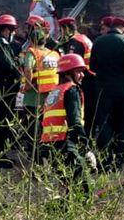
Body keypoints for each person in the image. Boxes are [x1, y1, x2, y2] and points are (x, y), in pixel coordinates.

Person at [90, 16, 124, 169]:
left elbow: (92, 66)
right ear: (123, 29)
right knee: (122, 126)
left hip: (104, 91)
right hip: (123, 92)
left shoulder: (98, 42)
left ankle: (104, 160)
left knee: (105, 124)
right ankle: (118, 161)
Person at [41, 53, 95, 195]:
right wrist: (86, 147)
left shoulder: (55, 91)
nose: (82, 75)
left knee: (68, 187)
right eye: (79, 71)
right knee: (84, 189)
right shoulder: (71, 90)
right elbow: (75, 121)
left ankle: (60, 213)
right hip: (65, 143)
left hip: (49, 144)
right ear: (68, 72)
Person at [18, 15, 61, 150]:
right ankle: (45, 149)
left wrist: (26, 86)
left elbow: (28, 69)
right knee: (45, 123)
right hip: (51, 95)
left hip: (34, 95)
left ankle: (33, 151)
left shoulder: (32, 52)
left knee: (32, 126)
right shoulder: (54, 54)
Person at [0, 14, 22, 168]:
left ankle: (0, 154)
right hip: (2, 89)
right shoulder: (1, 44)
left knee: (1, 121)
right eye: (13, 30)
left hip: (3, 88)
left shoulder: (1, 44)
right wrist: (19, 66)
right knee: (0, 122)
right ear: (8, 30)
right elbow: (8, 66)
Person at [56, 17, 96, 136]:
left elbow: (71, 64)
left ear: (66, 29)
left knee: (80, 112)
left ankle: (82, 140)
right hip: (91, 78)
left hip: (83, 80)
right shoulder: (84, 38)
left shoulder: (74, 42)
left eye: (61, 30)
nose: (61, 34)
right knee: (89, 114)